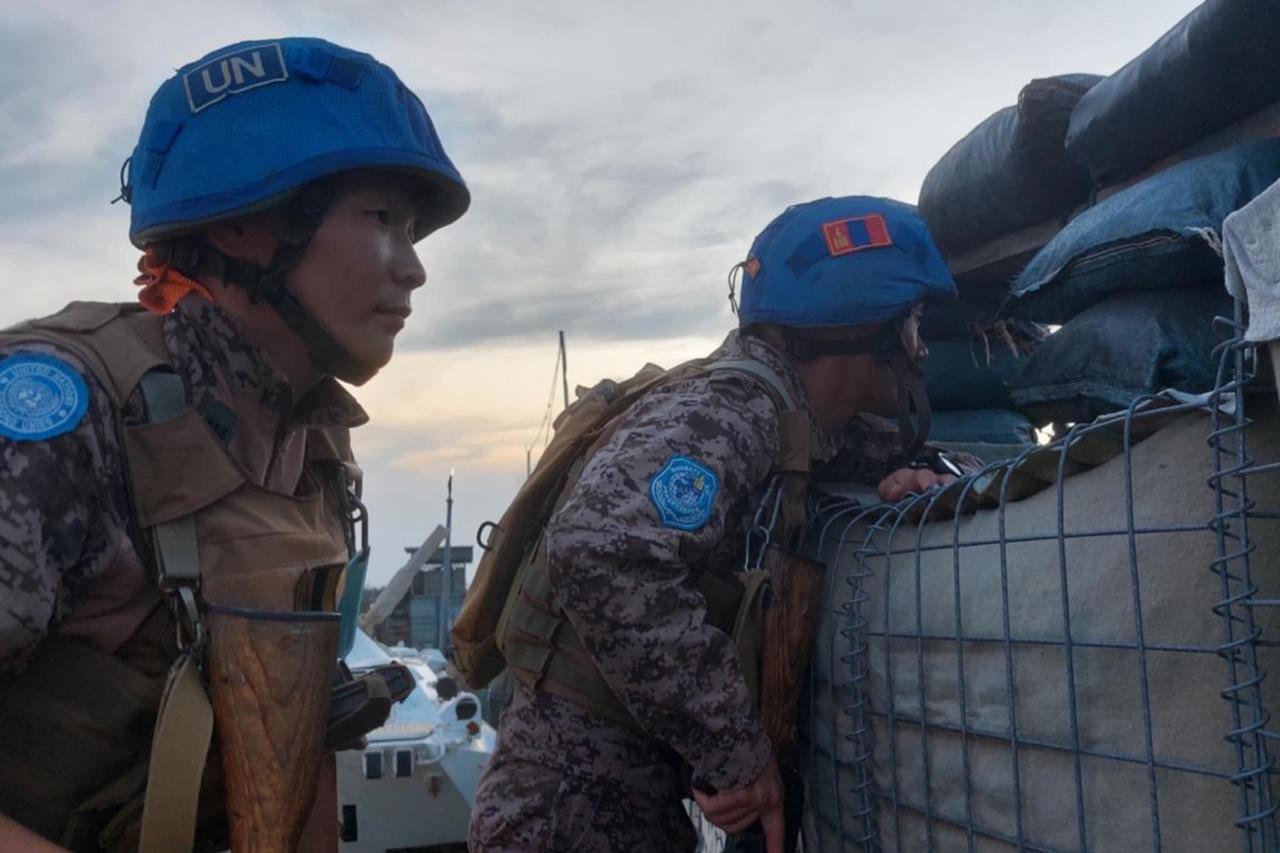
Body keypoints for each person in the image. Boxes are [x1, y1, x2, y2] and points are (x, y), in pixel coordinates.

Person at [0, 38, 468, 853]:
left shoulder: (313, 443)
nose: (413, 269)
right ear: (249, 224)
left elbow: (299, 733)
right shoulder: (64, 415)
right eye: (382, 219)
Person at [468, 196, 962, 852]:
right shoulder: (731, 412)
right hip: (569, 807)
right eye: (913, 323)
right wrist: (737, 753)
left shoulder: (789, 418)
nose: (921, 350)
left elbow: (869, 453)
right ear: (865, 329)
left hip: (608, 792)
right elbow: (600, 549)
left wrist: (933, 476)